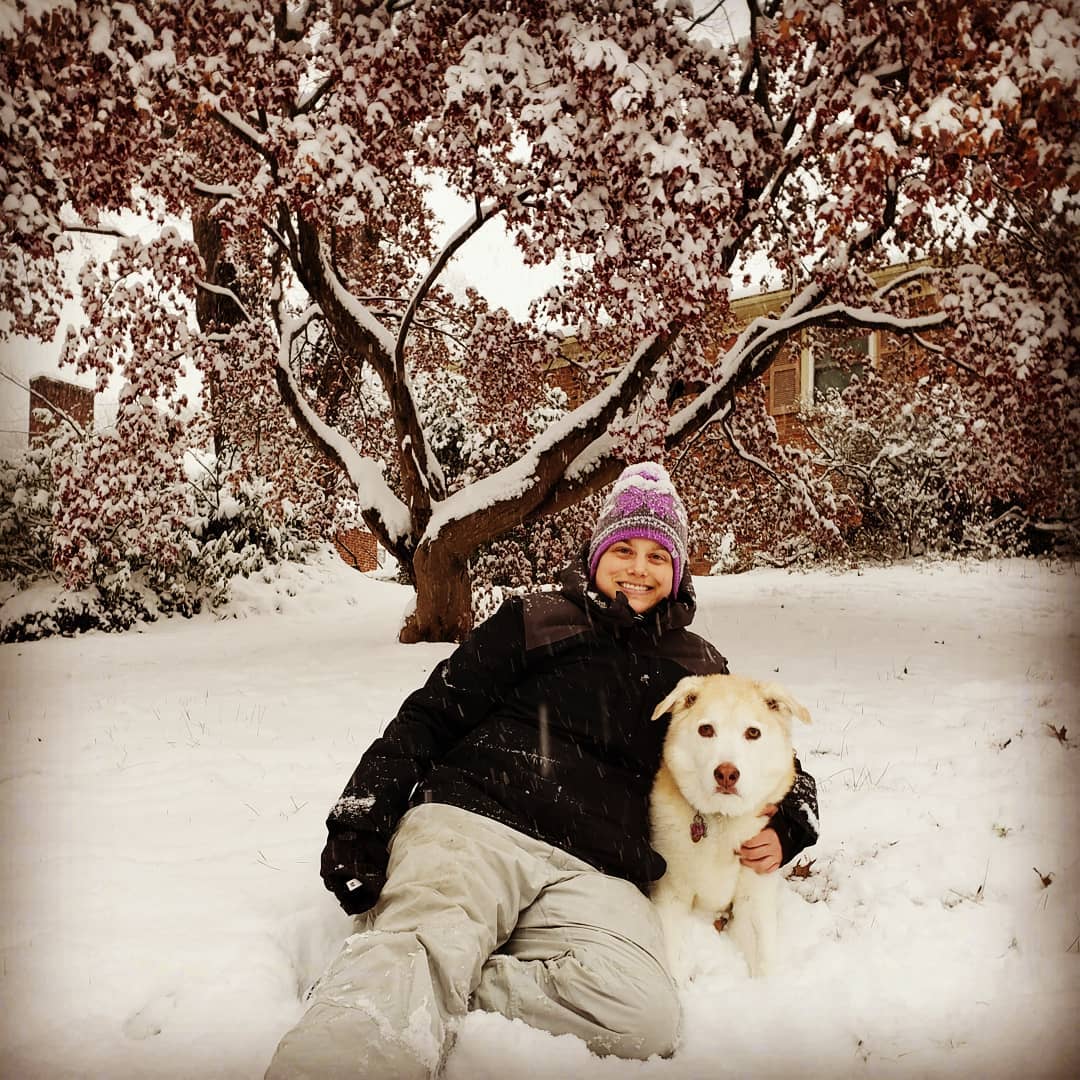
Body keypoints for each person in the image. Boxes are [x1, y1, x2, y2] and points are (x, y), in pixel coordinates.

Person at [265, 462, 819, 1079]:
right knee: (421, 948)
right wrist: (361, 816)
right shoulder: (534, 619)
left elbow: (762, 748)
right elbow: (430, 713)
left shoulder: (696, 664)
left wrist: (791, 820)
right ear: (596, 552)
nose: (639, 568)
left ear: (678, 571)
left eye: (658, 556)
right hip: (478, 819)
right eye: (624, 550)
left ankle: (438, 976)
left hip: (597, 867)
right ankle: (393, 985)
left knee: (640, 1017)